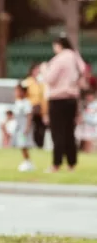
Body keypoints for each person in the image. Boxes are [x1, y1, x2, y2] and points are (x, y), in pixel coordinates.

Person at [43, 35, 86, 172]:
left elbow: (50, 79)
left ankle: (56, 163)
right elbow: (83, 71)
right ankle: (71, 163)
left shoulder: (59, 59)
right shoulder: (75, 57)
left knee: (57, 132)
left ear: (58, 45)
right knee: (69, 132)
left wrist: (44, 69)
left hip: (58, 98)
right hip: (72, 98)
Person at [23, 63, 48, 150]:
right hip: (30, 110)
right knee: (29, 130)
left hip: (40, 111)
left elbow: (44, 98)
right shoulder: (27, 82)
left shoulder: (42, 83)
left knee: (40, 131)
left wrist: (45, 113)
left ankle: (39, 147)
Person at [12, 83, 34, 172]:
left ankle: (28, 162)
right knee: (21, 145)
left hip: (24, 128)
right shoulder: (17, 102)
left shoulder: (26, 103)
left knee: (23, 144)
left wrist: (27, 127)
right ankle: (26, 161)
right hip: (19, 127)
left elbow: (29, 115)